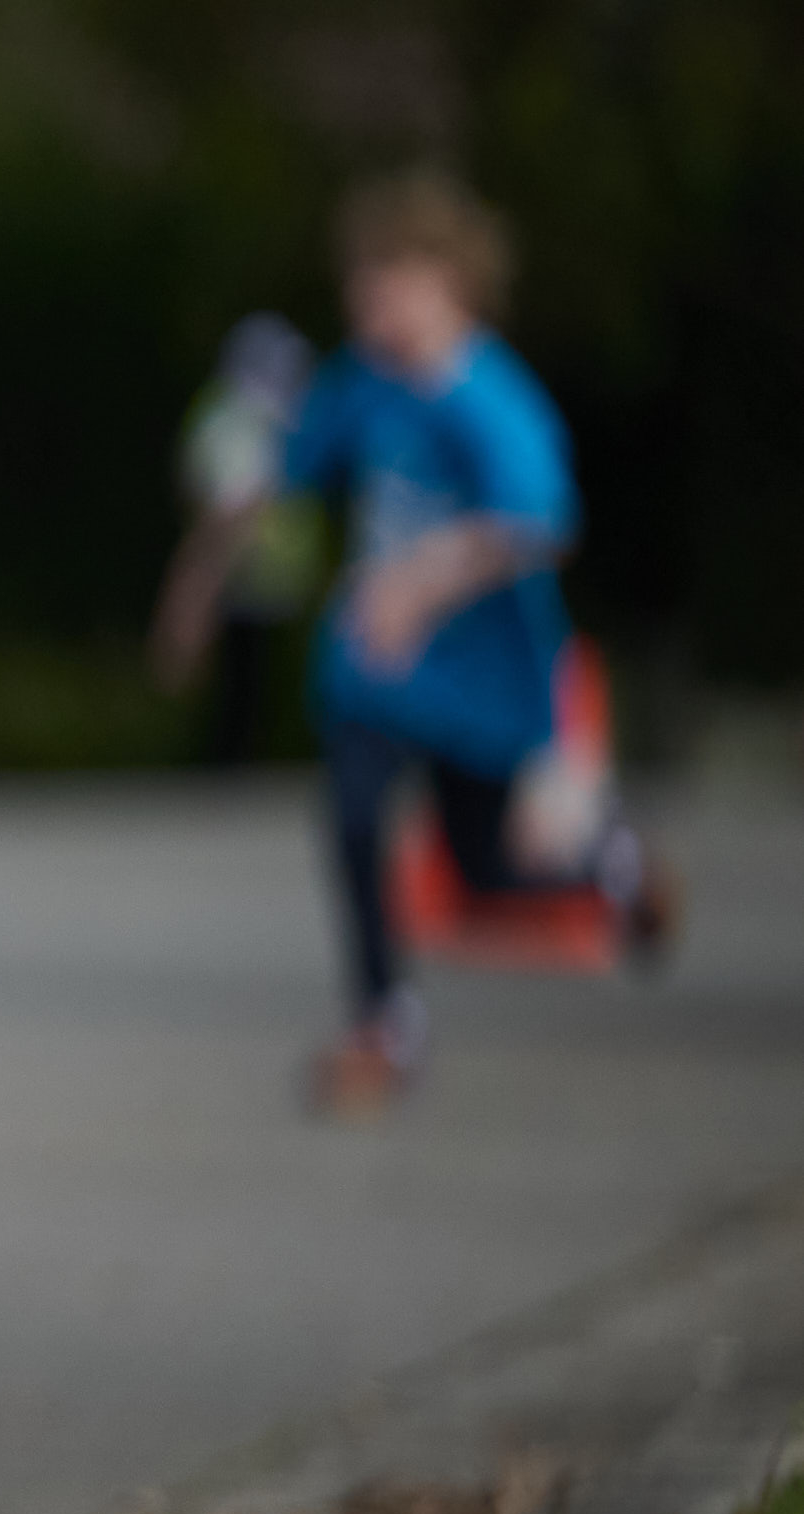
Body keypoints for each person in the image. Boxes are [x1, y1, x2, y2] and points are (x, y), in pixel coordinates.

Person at [164, 173, 672, 1112]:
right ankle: (383, 1023)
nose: (365, 303)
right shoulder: (363, 387)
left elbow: (542, 523)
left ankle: (610, 861)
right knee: (354, 819)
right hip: (379, 666)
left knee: (483, 870)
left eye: (384, 282)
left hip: (480, 674)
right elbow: (276, 479)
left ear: (447, 283)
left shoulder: (491, 395)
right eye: (359, 283)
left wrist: (422, 577)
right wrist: (196, 585)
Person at [156, 315, 322, 769]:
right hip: (243, 573)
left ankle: (234, 762)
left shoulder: (245, 413)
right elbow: (227, 516)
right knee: (239, 681)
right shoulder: (242, 420)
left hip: (268, 579)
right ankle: (229, 764)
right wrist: (191, 593)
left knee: (247, 679)